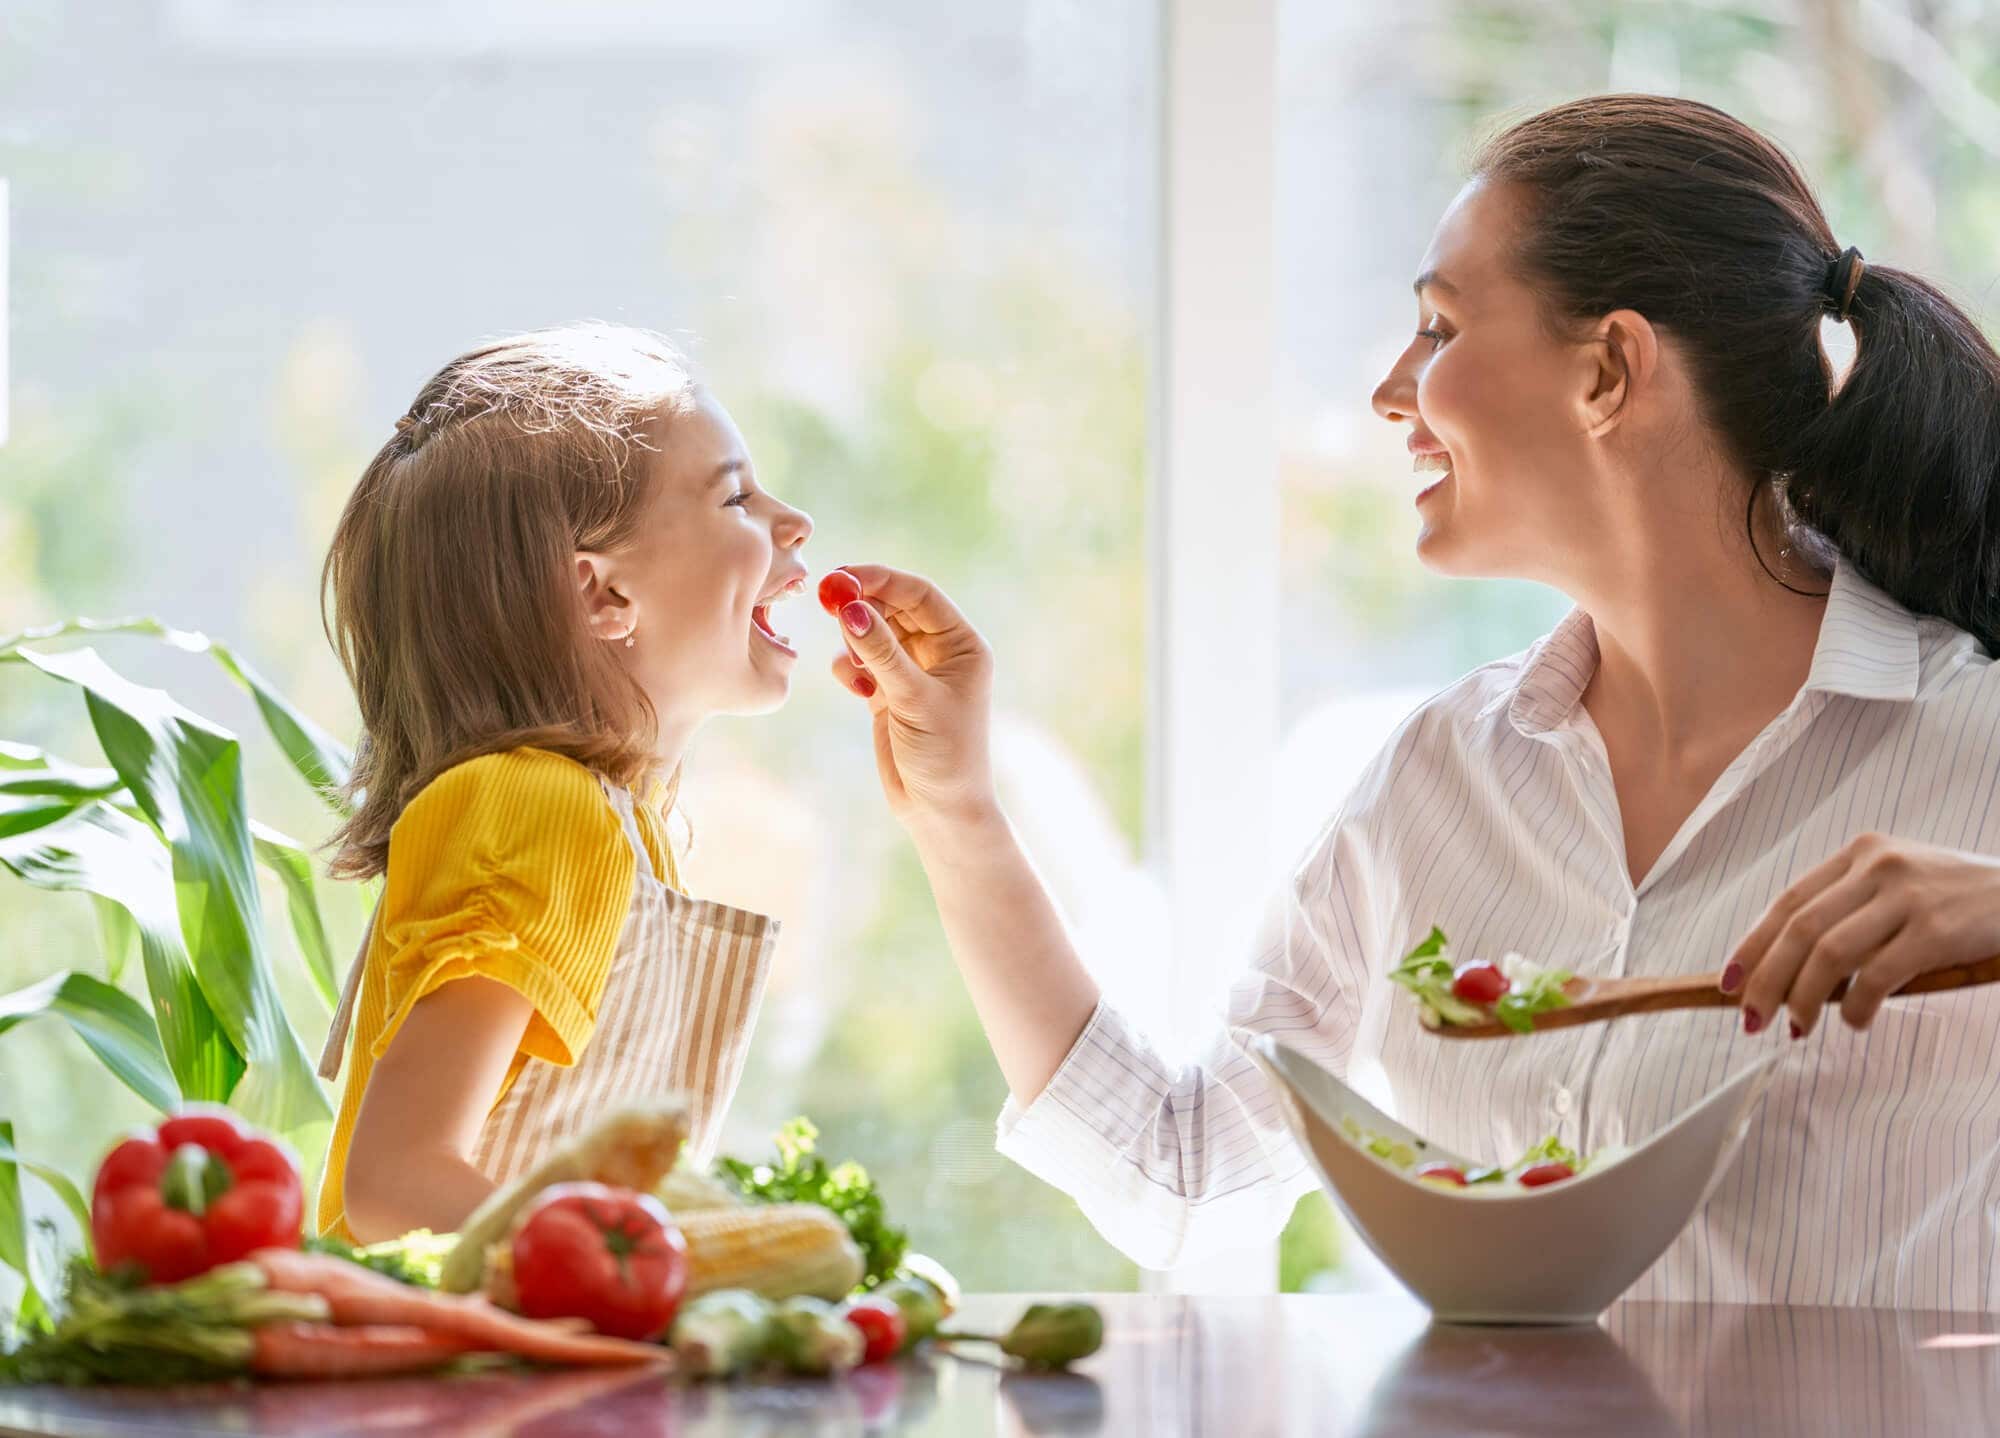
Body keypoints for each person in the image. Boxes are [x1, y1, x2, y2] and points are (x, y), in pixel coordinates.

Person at [823, 95, 2000, 1308]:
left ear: (1608, 370)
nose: (1392, 392)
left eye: (1437, 328)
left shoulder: (1975, 748)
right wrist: (954, 809)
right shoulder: (1443, 780)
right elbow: (1178, 1171)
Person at [314, 323, 813, 1243]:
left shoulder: (621, 827)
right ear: (602, 597)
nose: (792, 523)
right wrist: (654, 1270)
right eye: (735, 497)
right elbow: (392, 1183)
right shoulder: (537, 809)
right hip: (463, 1383)